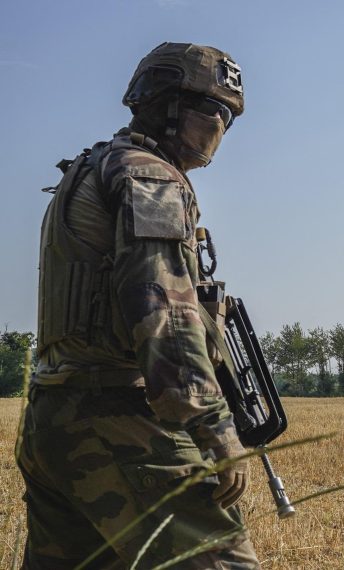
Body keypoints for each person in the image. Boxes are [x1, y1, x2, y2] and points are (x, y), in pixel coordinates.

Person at [17, 42, 260, 569]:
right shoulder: (150, 176)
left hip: (51, 415)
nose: (222, 128)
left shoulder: (87, 169)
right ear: (171, 105)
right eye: (218, 111)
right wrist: (217, 431)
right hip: (119, 420)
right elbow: (164, 317)